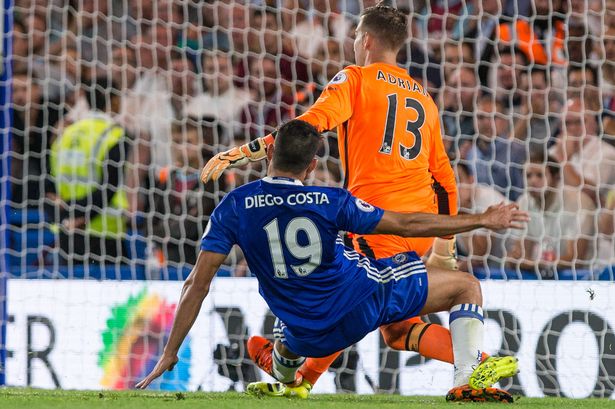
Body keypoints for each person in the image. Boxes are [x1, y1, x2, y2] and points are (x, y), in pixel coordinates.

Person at [137, 120, 525, 402]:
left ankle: (285, 368)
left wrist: (170, 352)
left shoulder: (233, 207)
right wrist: (481, 220)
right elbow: (406, 223)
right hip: (364, 305)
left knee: (294, 325)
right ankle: (467, 377)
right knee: (464, 286)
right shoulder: (328, 200)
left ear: (269, 154)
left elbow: (196, 285)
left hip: (308, 334)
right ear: (312, 167)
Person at [200, 3, 463, 396]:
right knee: (393, 326)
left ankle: (291, 368)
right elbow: (445, 179)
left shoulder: (355, 78)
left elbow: (311, 124)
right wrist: (445, 247)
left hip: (375, 219)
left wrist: (250, 149)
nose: (354, 42)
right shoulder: (424, 99)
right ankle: (303, 379)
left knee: (343, 297)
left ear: (367, 40)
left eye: (356, 36)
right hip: (419, 226)